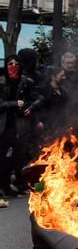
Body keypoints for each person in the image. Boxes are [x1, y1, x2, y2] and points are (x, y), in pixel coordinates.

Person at [1, 50, 42, 196]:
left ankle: (15, 185)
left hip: (20, 125)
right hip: (4, 125)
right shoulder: (1, 81)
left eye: (17, 64)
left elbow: (37, 98)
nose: (13, 66)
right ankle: (4, 186)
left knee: (17, 157)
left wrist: (31, 108)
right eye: (10, 64)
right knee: (4, 158)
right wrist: (14, 104)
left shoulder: (26, 82)